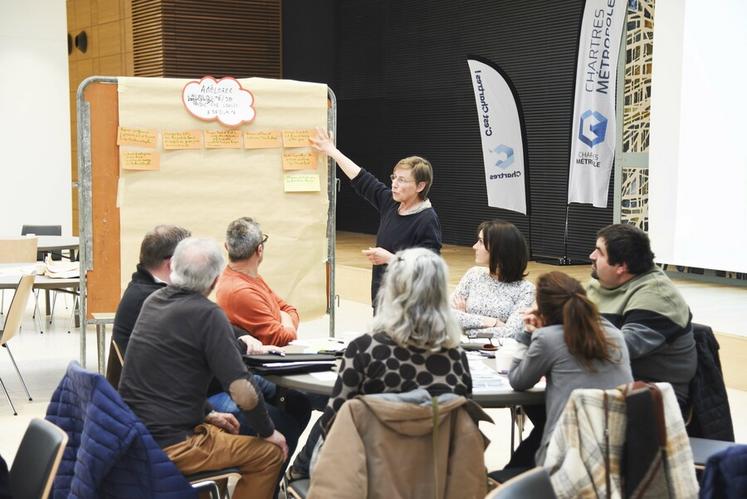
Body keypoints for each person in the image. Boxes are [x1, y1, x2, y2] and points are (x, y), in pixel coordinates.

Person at [119, 238, 287, 499]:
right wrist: (269, 432)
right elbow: (241, 388)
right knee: (269, 453)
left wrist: (208, 413)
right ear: (215, 280)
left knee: (227, 425)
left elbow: (163, 378)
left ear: (173, 267)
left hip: (138, 436)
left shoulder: (154, 301)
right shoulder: (208, 315)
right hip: (174, 445)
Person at [288, 248, 472, 480]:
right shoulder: (456, 358)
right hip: (433, 477)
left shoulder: (365, 350)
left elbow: (334, 422)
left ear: (391, 291)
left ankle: (296, 476)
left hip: (367, 475)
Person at [506, 271, 633, 471]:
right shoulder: (614, 334)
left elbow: (518, 380)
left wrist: (526, 334)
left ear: (544, 309)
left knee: (542, 425)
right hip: (618, 448)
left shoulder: (548, 338)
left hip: (566, 453)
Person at [310, 128, 442, 305]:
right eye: (394, 178)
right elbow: (362, 178)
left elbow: (430, 269)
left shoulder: (427, 219)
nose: (394, 184)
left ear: (420, 186)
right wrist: (332, 151)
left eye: (402, 180)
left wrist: (390, 259)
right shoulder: (391, 203)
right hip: (383, 300)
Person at [586, 223, 696, 411]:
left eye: (599, 252)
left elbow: (619, 348)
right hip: (607, 382)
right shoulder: (600, 283)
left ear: (621, 266)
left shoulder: (657, 296)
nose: (591, 256)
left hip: (650, 396)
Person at [107, 224, 191, 387]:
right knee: (252, 386)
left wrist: (238, 335)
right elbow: (202, 338)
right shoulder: (155, 299)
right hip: (158, 402)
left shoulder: (144, 288)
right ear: (173, 264)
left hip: (156, 393)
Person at [216, 217, 299, 347]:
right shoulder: (241, 291)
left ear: (226, 247)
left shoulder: (250, 278)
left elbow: (288, 309)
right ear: (260, 249)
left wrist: (283, 316)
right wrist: (285, 317)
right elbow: (284, 338)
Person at [451, 220, 535, 339]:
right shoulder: (473, 275)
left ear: (499, 249)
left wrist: (466, 326)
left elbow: (511, 333)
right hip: (467, 351)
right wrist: (491, 322)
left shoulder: (526, 290)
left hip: (499, 353)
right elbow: (446, 315)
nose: (474, 247)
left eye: (480, 242)